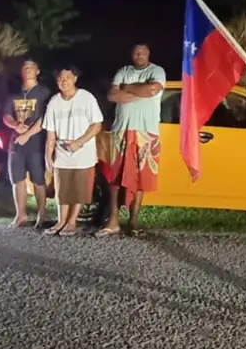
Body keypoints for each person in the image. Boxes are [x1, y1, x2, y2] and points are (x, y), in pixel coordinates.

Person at [100, 43, 166, 237]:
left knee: (141, 177)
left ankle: (134, 220)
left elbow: (152, 90)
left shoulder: (157, 71)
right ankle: (113, 220)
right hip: (121, 131)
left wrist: (127, 88)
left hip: (146, 133)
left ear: (149, 54)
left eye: (143, 52)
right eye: (136, 52)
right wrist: (140, 91)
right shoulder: (124, 71)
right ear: (132, 54)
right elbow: (113, 95)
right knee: (115, 176)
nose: (140, 55)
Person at [42, 66, 103, 237]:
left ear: (75, 79)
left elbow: (97, 125)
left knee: (79, 189)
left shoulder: (87, 98)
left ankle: (71, 222)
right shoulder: (54, 102)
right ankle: (61, 221)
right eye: (60, 78)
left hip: (83, 151)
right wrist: (48, 155)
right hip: (62, 151)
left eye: (68, 77)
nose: (64, 81)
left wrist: (79, 142)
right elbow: (51, 132)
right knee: (62, 189)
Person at [3, 58, 52, 228]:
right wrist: (15, 125)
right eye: (25, 67)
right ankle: (21, 214)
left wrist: (28, 134)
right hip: (16, 142)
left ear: (38, 71)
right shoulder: (13, 94)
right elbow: (6, 116)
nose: (28, 69)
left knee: (38, 179)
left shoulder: (44, 93)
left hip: (36, 142)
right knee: (17, 178)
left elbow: (46, 117)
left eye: (32, 66)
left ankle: (42, 213)